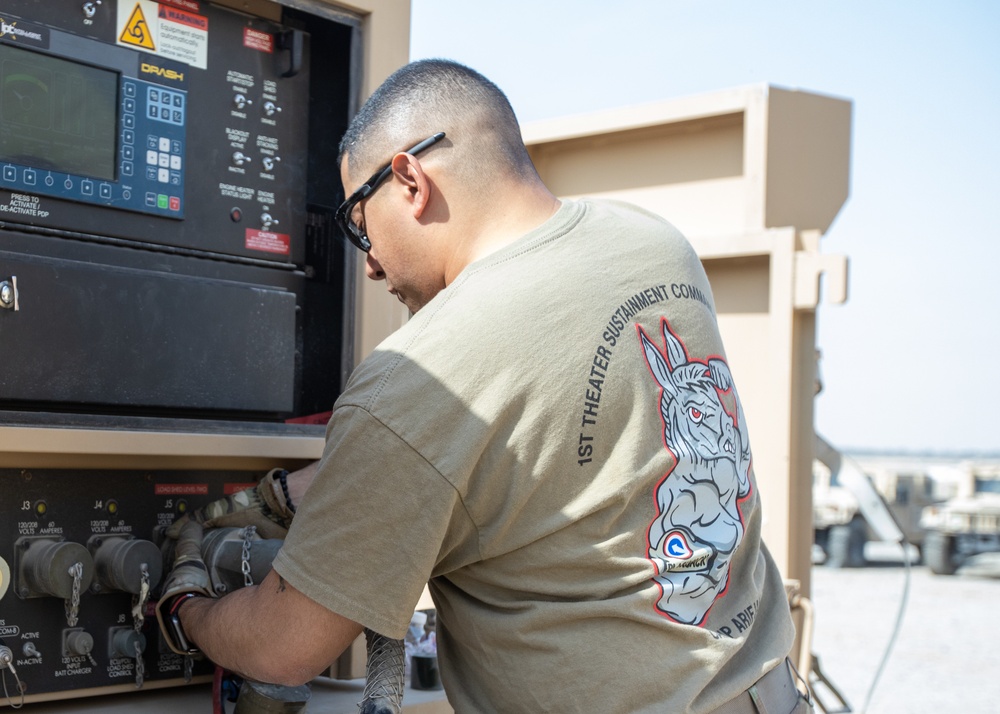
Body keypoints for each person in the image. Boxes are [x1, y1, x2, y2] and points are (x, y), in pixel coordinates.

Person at [158, 59, 812, 713]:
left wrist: (187, 608)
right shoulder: (654, 244)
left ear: (410, 180)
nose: (371, 261)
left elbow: (284, 647)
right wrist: (296, 495)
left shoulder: (418, 376)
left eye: (360, 222)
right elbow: (536, 453)